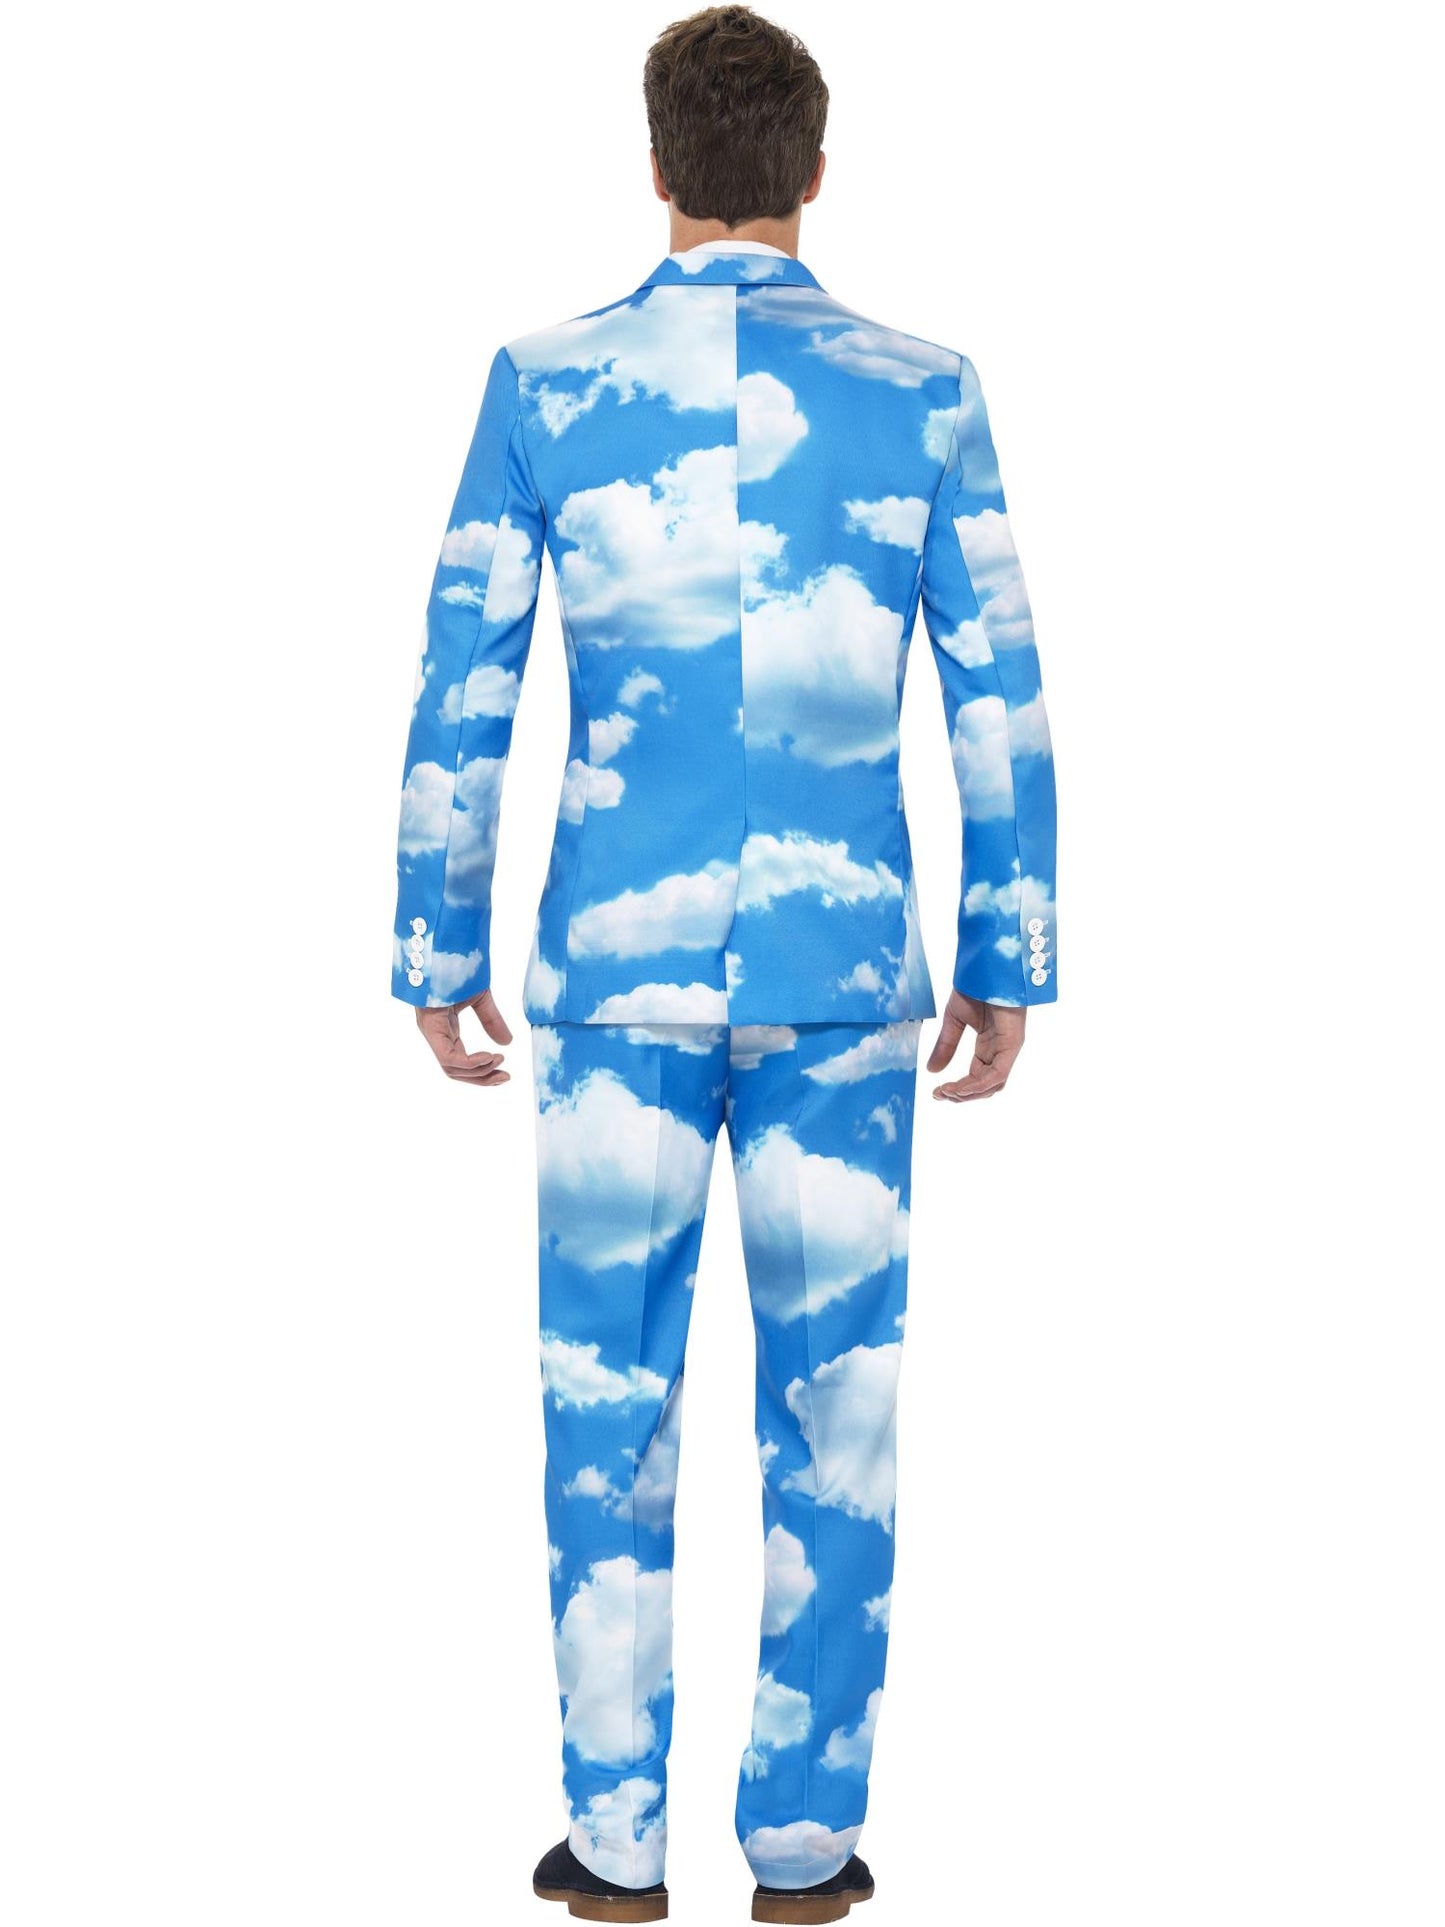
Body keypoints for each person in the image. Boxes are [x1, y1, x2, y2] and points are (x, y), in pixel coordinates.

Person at [389, 6, 1057, 1920]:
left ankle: (615, 1849)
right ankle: (802, 1848)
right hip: (846, 973)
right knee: (837, 1412)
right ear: (814, 172)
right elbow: (996, 691)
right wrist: (1004, 946)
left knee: (602, 1400)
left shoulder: (546, 380)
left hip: (614, 973)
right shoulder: (923, 390)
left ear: (658, 169)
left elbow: (468, 673)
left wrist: (437, 933)